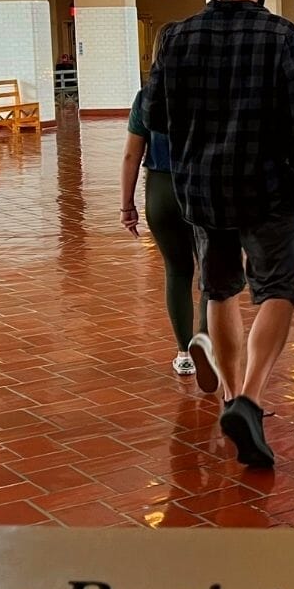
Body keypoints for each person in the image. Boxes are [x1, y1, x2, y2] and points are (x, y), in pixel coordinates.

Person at [145, 0, 294, 470]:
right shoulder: (282, 35)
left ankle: (228, 397)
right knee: (277, 290)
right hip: (268, 188)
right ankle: (250, 398)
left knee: (219, 290)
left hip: (202, 187)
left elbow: (157, 119)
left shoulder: (176, 37)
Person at [122, 27, 199, 380]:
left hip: (161, 190)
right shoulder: (205, 91)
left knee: (177, 271)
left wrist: (127, 206)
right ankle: (209, 344)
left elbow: (130, 156)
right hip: (201, 187)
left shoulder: (145, 97)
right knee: (214, 275)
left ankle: (184, 352)